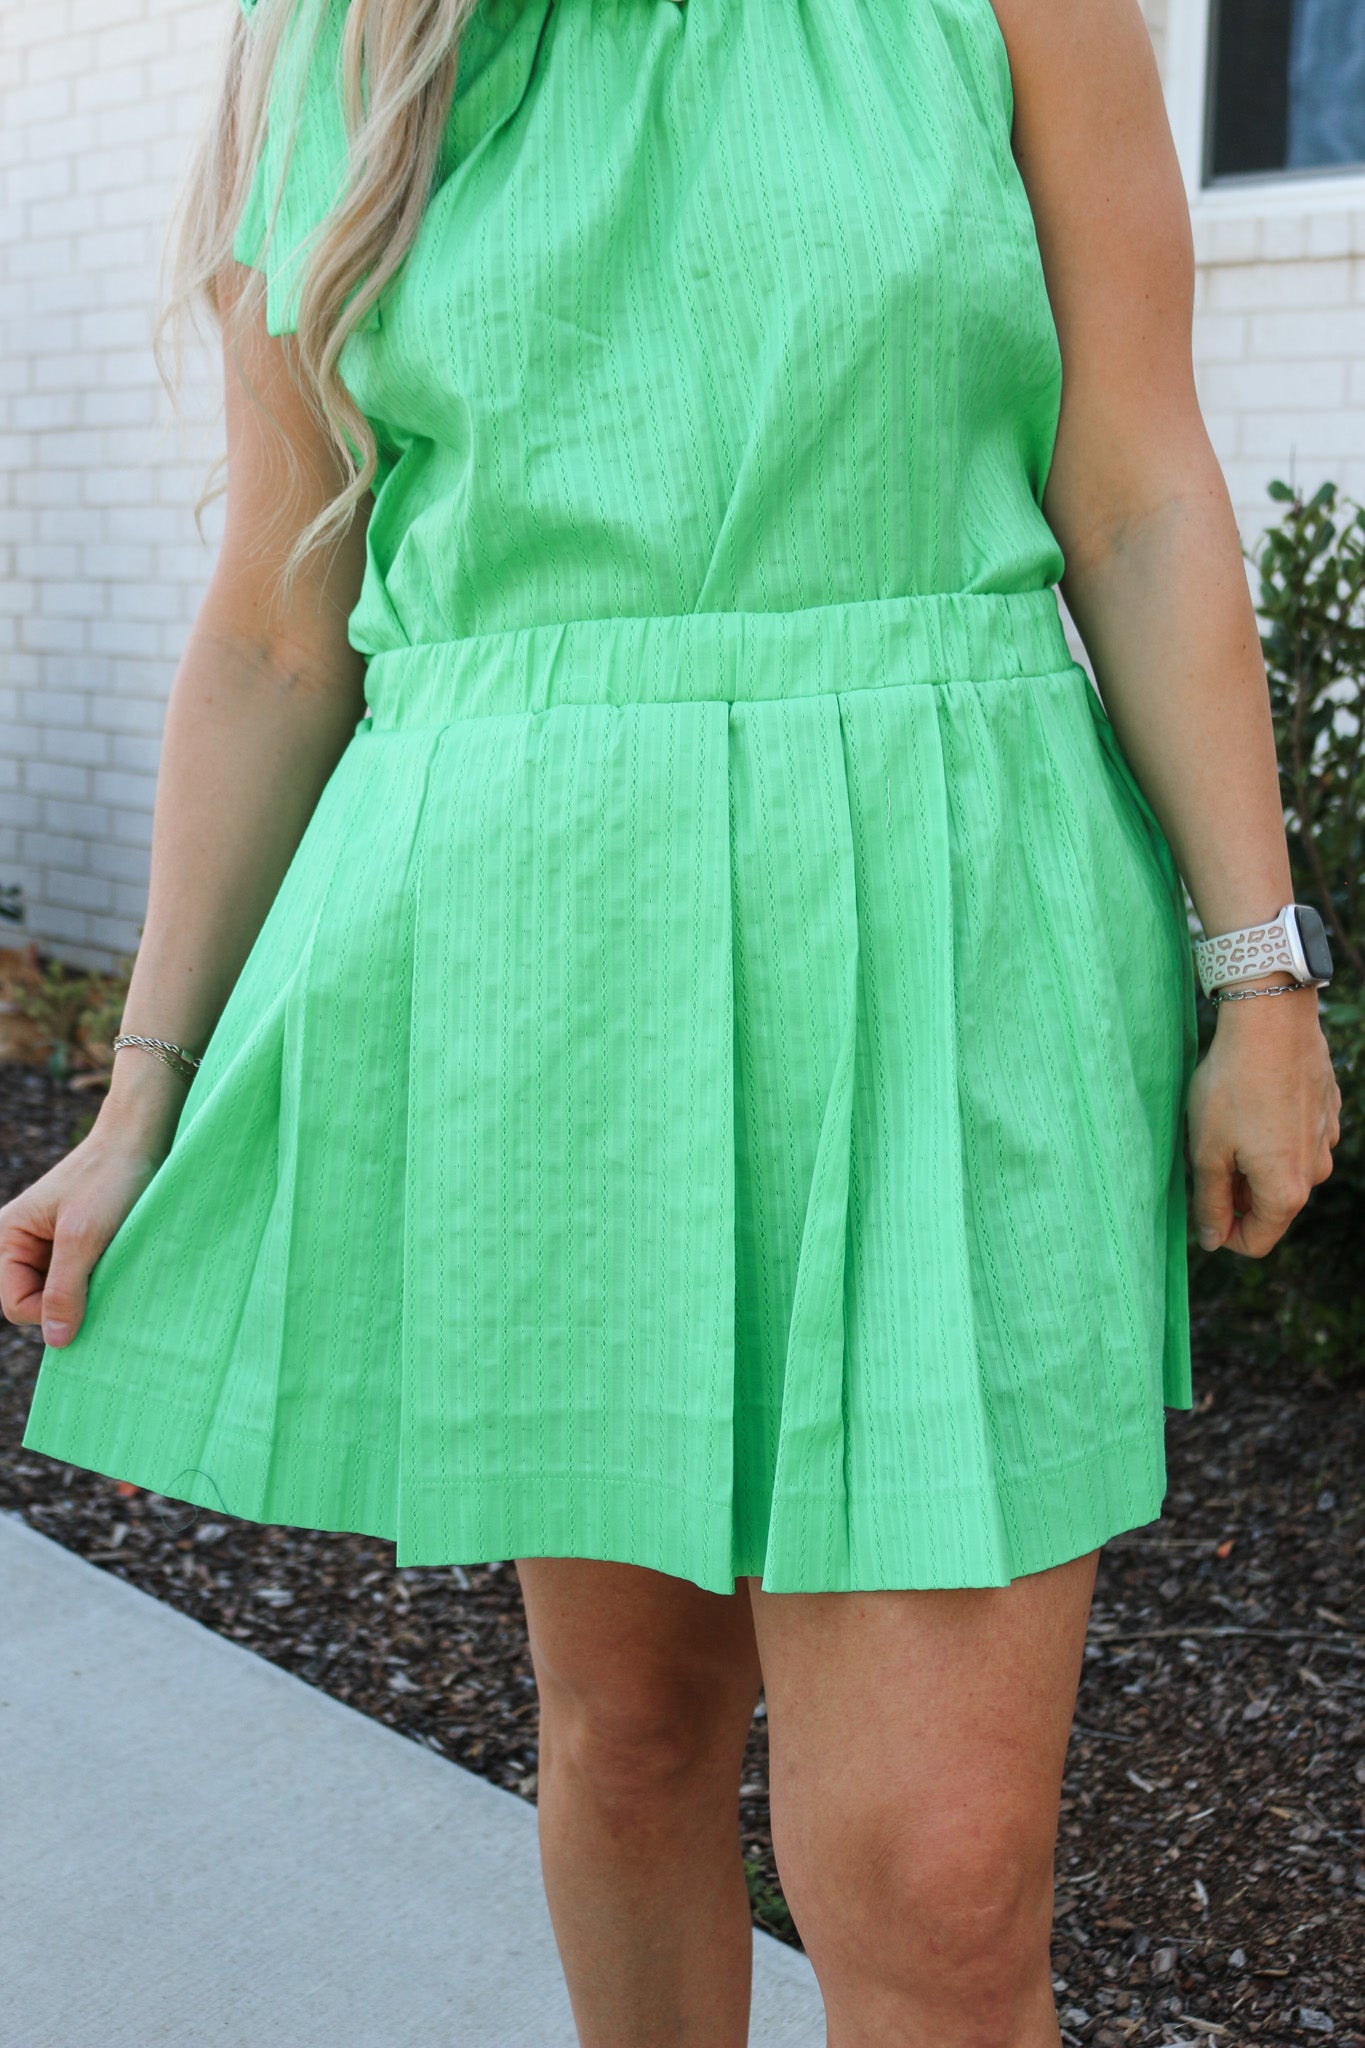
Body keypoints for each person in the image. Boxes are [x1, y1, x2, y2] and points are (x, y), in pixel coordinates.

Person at [2, 0, 1342, 2041]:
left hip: (941, 939)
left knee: (939, 1880)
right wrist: (141, 1096)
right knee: (629, 1732)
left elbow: (1137, 491)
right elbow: (280, 623)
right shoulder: (348, 42)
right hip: (539, 965)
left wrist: (1257, 968)